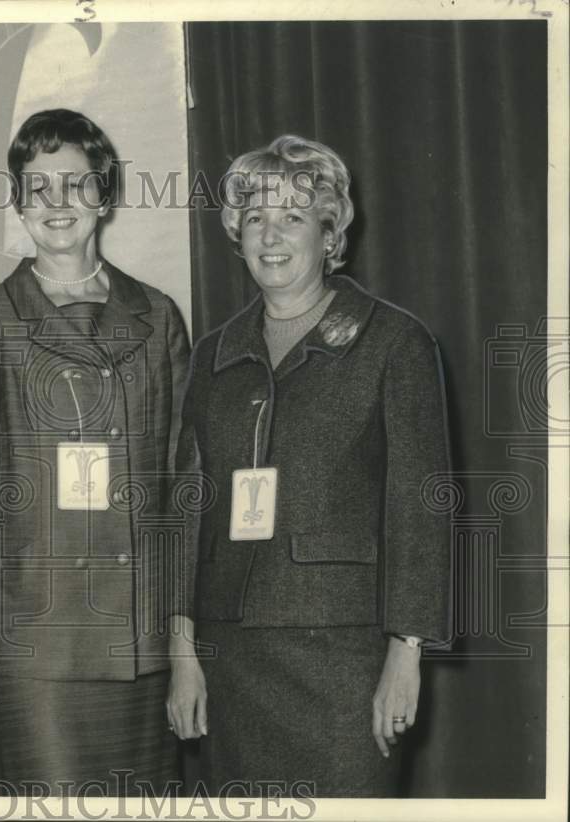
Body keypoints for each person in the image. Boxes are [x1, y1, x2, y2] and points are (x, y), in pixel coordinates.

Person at [167, 135, 451, 797]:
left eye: (293, 217)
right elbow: (184, 512)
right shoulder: (214, 354)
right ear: (237, 234)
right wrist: (182, 650)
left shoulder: (394, 342)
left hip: (345, 661)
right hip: (228, 658)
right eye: (256, 218)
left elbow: (420, 510)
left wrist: (405, 656)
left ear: (329, 234)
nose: (271, 235)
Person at [0, 109, 191, 795]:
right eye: (38, 186)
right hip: (37, 637)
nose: (58, 204)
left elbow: (179, 486)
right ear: (18, 202)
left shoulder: (159, 314)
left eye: (75, 184)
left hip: (139, 636)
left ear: (103, 195)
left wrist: (184, 640)